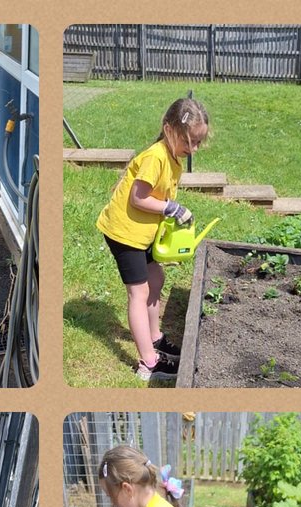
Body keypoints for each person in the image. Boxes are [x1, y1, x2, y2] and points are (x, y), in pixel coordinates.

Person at [95, 97, 209, 382]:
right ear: (169, 129)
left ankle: (155, 338)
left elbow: (159, 200)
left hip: (142, 232)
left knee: (156, 278)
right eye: (189, 142)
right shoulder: (156, 156)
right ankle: (148, 363)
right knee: (139, 292)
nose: (193, 149)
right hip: (124, 232)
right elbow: (138, 198)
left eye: (198, 144)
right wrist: (171, 208)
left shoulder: (173, 160)